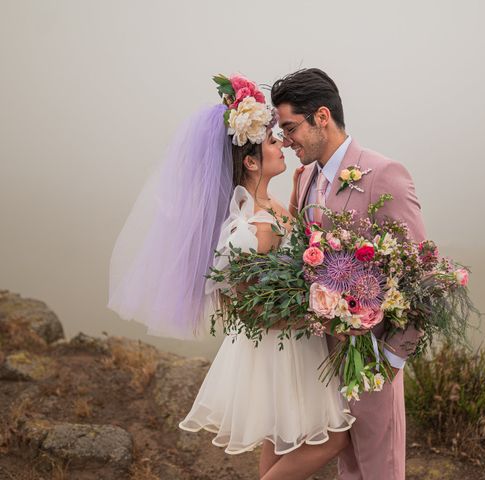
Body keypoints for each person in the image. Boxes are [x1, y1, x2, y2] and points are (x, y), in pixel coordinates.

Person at [108, 74, 354, 480]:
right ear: (252, 161)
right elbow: (240, 297)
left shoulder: (270, 205)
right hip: (283, 345)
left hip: (287, 345)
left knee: (278, 439)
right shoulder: (255, 225)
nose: (283, 146)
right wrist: (307, 312)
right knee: (333, 439)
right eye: (273, 142)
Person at [272, 68, 428, 480]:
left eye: (290, 128)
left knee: (378, 471)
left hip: (371, 357)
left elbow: (422, 280)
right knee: (347, 470)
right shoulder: (305, 178)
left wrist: (390, 361)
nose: (286, 142)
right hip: (322, 359)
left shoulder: (384, 174)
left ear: (322, 116)